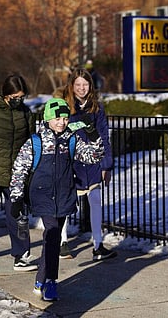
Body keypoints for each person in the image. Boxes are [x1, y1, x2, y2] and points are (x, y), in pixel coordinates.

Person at [9, 98, 104, 301]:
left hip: (64, 196)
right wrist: (16, 197)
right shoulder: (36, 142)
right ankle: (51, 282)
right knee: (52, 236)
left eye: (65, 118)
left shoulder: (71, 140)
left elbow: (94, 156)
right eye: (57, 118)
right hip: (42, 196)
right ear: (48, 119)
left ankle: (40, 278)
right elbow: (19, 170)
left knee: (50, 240)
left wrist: (91, 132)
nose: (61, 122)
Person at [0, 74, 37, 269]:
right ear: (5, 95)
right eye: (15, 98)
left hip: (16, 173)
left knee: (17, 216)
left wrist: (27, 170)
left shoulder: (25, 113)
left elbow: (30, 143)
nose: (18, 101)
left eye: (22, 97)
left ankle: (21, 255)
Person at [59, 68, 116, 261]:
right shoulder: (64, 107)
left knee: (95, 201)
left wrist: (106, 165)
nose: (82, 88)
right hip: (71, 162)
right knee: (67, 201)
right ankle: (62, 242)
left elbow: (104, 136)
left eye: (85, 84)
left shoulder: (96, 108)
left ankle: (98, 245)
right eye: (78, 85)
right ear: (72, 86)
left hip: (92, 162)